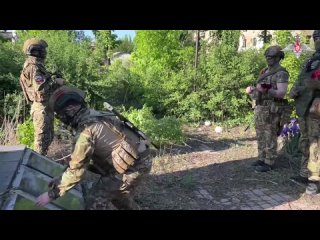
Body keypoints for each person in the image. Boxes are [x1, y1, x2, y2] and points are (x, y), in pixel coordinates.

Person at [35, 86, 151, 209]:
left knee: (94, 201)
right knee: (116, 193)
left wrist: (51, 195)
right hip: (140, 157)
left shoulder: (85, 132)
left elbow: (77, 172)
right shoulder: (97, 114)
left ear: (65, 114)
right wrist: (60, 179)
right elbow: (76, 161)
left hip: (133, 167)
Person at [246, 45, 290, 172]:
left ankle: (269, 162)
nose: (268, 59)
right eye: (267, 57)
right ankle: (261, 158)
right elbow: (259, 89)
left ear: (278, 58)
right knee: (260, 134)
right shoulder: (264, 71)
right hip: (260, 107)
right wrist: (252, 90)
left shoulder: (281, 73)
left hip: (272, 109)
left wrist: (266, 89)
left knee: (270, 135)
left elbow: (281, 93)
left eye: (271, 57)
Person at [20, 38, 63, 156]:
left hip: (45, 107)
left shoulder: (37, 66)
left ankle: (41, 165)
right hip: (41, 108)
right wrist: (56, 82)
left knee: (47, 139)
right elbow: (41, 90)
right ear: (36, 51)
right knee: (41, 141)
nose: (45, 52)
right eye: (42, 50)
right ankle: (35, 168)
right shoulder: (34, 67)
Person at [289, 30, 320, 194]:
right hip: (305, 105)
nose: (317, 41)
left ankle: (314, 179)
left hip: (317, 106)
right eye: (315, 38)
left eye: (319, 38)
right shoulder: (312, 59)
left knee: (316, 142)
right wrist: (295, 89)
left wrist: (315, 85)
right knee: (305, 140)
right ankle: (304, 173)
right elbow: (302, 77)